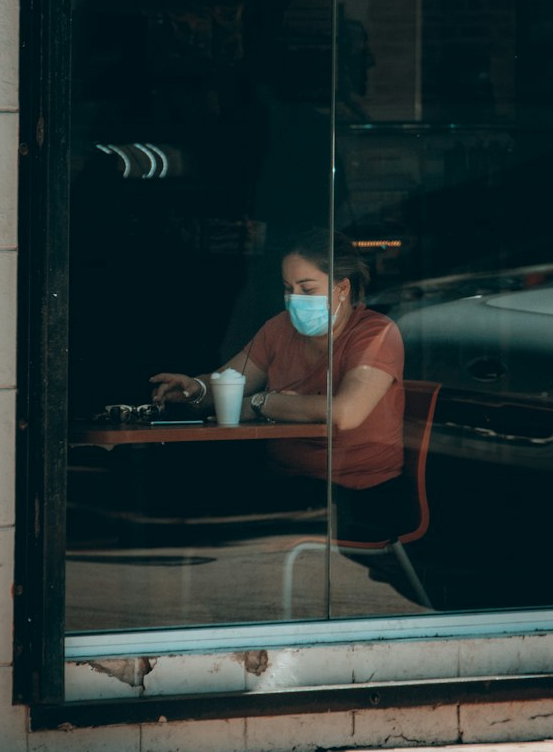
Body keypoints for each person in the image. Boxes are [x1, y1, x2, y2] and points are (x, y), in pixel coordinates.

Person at [150, 230, 406, 541]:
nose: (294, 299)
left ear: (342, 288)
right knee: (189, 490)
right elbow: (230, 380)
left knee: (217, 512)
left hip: (356, 493)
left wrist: (261, 404)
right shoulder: (279, 328)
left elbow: (345, 412)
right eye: (288, 288)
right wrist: (194, 388)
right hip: (286, 482)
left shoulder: (375, 334)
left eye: (307, 289)